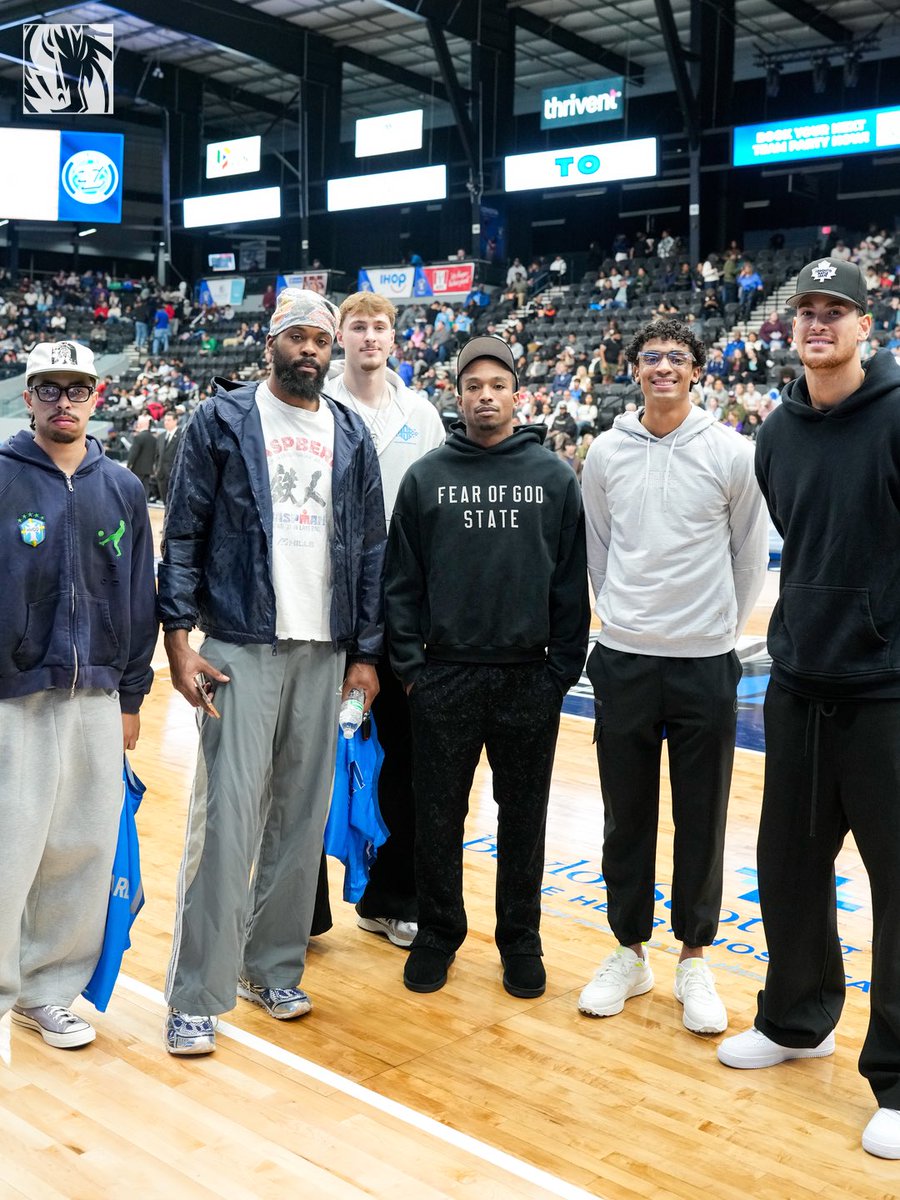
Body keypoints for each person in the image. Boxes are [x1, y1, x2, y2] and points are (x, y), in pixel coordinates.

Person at [157, 288, 386, 1055]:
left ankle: (272, 966)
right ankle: (196, 994)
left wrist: (365, 654)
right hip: (240, 642)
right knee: (225, 820)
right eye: (297, 337)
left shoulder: (351, 433)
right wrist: (178, 639)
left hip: (325, 649)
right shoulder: (220, 422)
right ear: (271, 343)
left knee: (300, 821)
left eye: (320, 339)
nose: (310, 350)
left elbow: (373, 552)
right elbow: (183, 534)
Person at [716, 259, 900, 1160]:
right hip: (799, 684)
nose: (819, 324)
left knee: (898, 888)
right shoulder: (778, 432)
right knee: (787, 865)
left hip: (888, 690)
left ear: (867, 325)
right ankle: (797, 1021)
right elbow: (797, 530)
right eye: (807, 313)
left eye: (837, 312)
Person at [578, 318, 768, 1034]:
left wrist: (717, 629)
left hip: (704, 662)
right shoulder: (605, 452)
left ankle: (694, 957)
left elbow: (748, 555)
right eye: (651, 356)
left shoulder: (732, 452)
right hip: (624, 657)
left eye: (676, 358)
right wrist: (626, 619)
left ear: (696, 371)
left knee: (702, 818)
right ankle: (629, 951)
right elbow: (600, 549)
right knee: (625, 816)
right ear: (635, 368)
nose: (663, 367)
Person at [386, 335, 590, 998]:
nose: (485, 396)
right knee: (437, 817)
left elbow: (570, 581)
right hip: (443, 675)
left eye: (496, 385)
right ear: (459, 395)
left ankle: (519, 940)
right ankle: (440, 934)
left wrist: (561, 669)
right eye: (473, 385)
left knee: (523, 819)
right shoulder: (426, 476)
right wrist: (412, 668)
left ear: (516, 394)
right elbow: (402, 582)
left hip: (528, 676)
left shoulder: (555, 476)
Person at [0, 340, 157, 1049]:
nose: (64, 403)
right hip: (14, 694)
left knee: (81, 851)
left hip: (95, 694)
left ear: (98, 396)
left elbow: (138, 598)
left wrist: (129, 698)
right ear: (29, 396)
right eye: (49, 389)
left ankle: (45, 991)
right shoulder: (2, 477)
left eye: (78, 390)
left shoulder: (120, 487)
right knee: (11, 848)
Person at [324, 290, 446, 947]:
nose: (369, 336)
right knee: (310, 758)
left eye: (380, 327)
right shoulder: (317, 406)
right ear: (340, 335)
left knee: (412, 758)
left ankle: (390, 897)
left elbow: (434, 513)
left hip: (401, 609)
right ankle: (303, 910)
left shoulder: (420, 413)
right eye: (358, 326)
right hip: (327, 605)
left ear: (395, 339)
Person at [126, 413, 158, 500]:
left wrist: (129, 465)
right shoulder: (154, 439)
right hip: (148, 469)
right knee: (145, 488)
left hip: (137, 468)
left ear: (140, 424)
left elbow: (133, 453)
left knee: (135, 489)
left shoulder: (138, 437)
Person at [154, 409, 181, 505]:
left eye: (169, 420)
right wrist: (157, 469)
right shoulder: (161, 436)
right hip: (162, 475)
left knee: (174, 503)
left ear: (175, 421)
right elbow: (157, 455)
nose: (166, 422)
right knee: (166, 502)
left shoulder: (181, 435)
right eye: (165, 420)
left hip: (175, 474)